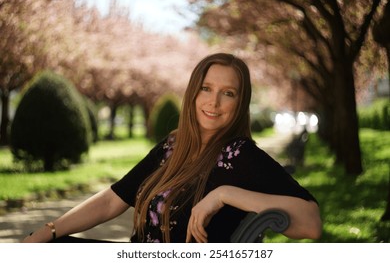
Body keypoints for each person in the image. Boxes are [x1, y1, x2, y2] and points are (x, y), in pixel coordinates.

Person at [23, 53, 322, 243]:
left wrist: (224, 195)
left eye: (227, 93)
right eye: (206, 89)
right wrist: (49, 230)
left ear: (240, 103)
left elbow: (311, 223)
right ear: (193, 94)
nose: (213, 102)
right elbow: (112, 200)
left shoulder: (241, 156)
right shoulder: (172, 146)